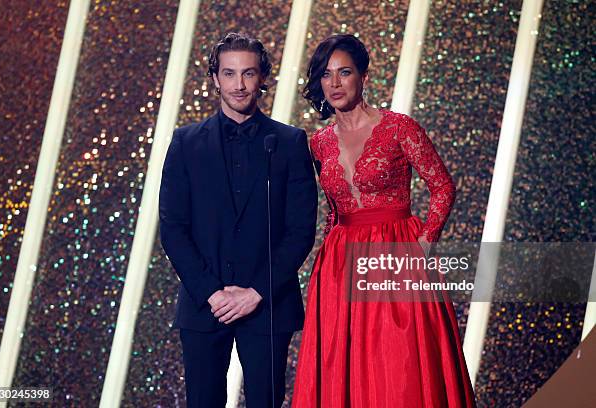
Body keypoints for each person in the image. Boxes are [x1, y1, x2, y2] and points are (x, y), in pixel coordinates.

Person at [292, 34, 476, 407]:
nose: (336, 83)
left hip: (396, 256)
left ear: (363, 76)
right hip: (340, 264)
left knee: (399, 370)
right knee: (340, 370)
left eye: (345, 72)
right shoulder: (318, 144)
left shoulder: (398, 127)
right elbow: (333, 209)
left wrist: (424, 243)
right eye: (327, 75)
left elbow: (442, 186)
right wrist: (323, 263)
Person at [159, 32, 317, 408]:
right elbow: (173, 228)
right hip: (204, 305)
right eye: (229, 74)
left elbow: (300, 231)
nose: (239, 84)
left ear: (263, 77)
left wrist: (255, 292)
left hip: (268, 304)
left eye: (248, 74)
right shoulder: (185, 142)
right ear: (215, 78)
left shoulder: (290, 142)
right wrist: (213, 293)